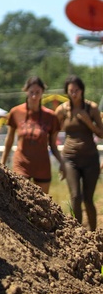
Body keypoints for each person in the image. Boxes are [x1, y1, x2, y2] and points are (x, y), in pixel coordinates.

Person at [55, 75, 103, 229]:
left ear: (82, 90)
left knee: (88, 199)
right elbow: (52, 135)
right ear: (67, 92)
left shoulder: (92, 108)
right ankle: (78, 232)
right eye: (71, 91)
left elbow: (101, 134)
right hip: (70, 158)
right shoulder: (62, 110)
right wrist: (60, 161)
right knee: (76, 196)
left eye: (77, 90)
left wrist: (89, 122)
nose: (74, 93)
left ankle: (94, 234)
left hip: (90, 159)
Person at [1, 76, 62, 194]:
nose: (34, 96)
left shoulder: (51, 116)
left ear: (42, 93)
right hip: (21, 164)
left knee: (43, 202)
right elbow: (9, 140)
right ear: (26, 91)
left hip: (42, 165)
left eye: (37, 92)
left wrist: (62, 163)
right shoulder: (16, 112)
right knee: (21, 199)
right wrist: (2, 162)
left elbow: (53, 145)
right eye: (31, 92)